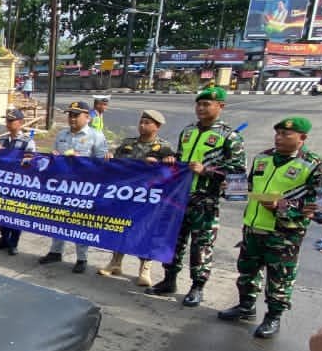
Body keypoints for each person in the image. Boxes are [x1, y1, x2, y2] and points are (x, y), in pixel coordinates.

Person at [218, 117, 322, 339]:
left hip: (284, 232)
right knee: (247, 270)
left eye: (286, 135)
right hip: (253, 225)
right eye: (278, 133)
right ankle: (246, 306)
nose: (279, 138)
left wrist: (284, 207)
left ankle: (273, 317)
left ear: (302, 138)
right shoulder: (263, 157)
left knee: (279, 277)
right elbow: (251, 185)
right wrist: (231, 187)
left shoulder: (316, 165)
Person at [148, 85, 246, 306]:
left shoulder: (230, 137)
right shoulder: (188, 131)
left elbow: (238, 175)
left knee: (200, 246)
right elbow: (180, 158)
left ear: (220, 107)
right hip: (179, 197)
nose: (201, 108)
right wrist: (170, 161)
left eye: (206, 104)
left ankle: (197, 286)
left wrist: (208, 171)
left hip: (206, 200)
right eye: (199, 104)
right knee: (173, 241)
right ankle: (169, 279)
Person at [98, 109, 172, 286]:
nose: (142, 125)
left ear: (157, 126)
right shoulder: (127, 144)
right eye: (141, 122)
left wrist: (165, 163)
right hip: (126, 195)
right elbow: (116, 163)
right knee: (119, 228)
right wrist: (110, 158)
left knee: (146, 232)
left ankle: (144, 270)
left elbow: (172, 173)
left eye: (147, 123)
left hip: (148, 198)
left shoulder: (164, 148)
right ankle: (115, 263)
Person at [39, 101, 107, 272]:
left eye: (76, 115)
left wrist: (82, 161)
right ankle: (55, 251)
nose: (72, 118)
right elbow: (54, 157)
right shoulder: (62, 134)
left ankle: (82, 258)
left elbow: (102, 165)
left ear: (87, 117)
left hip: (83, 188)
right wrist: (54, 157)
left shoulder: (96, 136)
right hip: (62, 186)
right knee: (58, 218)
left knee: (80, 223)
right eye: (70, 115)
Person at [0, 109, 35, 255]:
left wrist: (9, 158)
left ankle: (13, 242)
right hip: (3, 183)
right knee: (2, 212)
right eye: (6, 121)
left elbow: (29, 164)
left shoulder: (28, 142)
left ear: (20, 123)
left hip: (18, 184)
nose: (7, 124)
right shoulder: (3, 140)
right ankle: (4, 239)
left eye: (11, 121)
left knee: (16, 214)